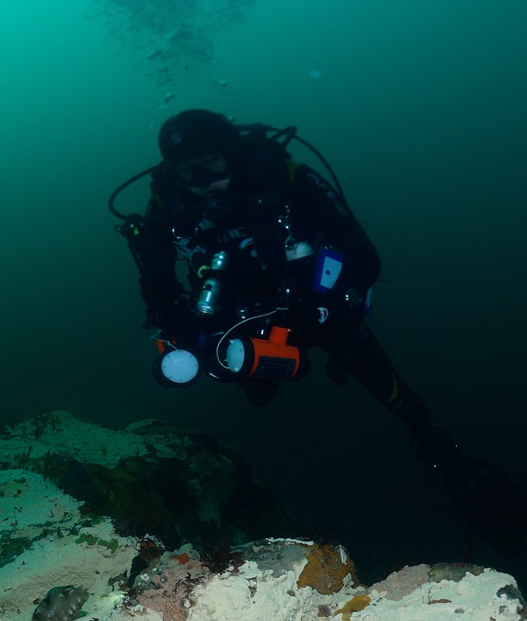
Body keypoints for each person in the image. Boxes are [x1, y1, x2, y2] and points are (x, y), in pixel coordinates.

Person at [112, 108, 526, 557]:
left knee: (393, 393)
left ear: (231, 153)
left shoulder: (284, 177)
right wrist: (178, 322)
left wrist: (326, 305)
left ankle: (448, 457)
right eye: (187, 170)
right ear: (172, 171)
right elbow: (158, 287)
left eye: (211, 164)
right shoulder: (167, 206)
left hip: (318, 306)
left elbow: (364, 254)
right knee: (256, 390)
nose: (202, 182)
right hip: (241, 322)